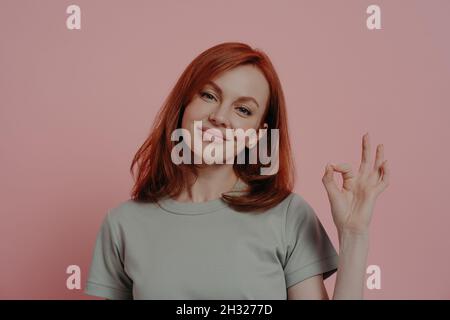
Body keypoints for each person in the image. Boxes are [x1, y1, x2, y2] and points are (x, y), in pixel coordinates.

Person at [84, 42, 389, 300]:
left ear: (258, 133)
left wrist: (354, 234)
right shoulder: (122, 224)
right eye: (209, 96)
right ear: (184, 106)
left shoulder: (288, 215)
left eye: (243, 110)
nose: (219, 117)